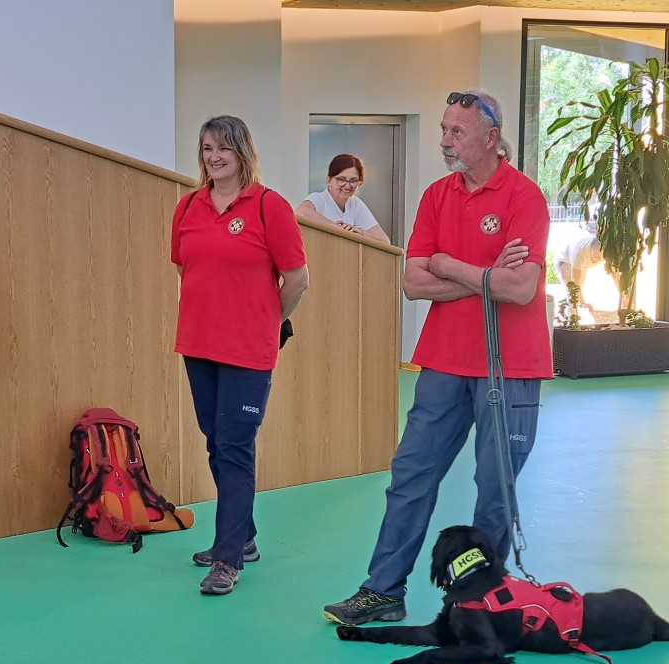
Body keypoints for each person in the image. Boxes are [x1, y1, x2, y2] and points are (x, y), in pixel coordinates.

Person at [323, 90, 552, 625]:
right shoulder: (435, 196)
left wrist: (449, 264)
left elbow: (520, 289)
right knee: (411, 475)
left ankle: (478, 604)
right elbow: (413, 283)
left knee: (494, 491)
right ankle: (383, 592)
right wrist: (485, 275)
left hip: (509, 368)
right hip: (444, 362)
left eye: (457, 132)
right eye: (444, 130)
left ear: (491, 138)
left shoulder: (524, 197)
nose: (445, 141)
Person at [171, 115, 309, 596]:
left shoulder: (270, 206)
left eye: (223, 148)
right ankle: (243, 537)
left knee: (233, 446)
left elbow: (297, 280)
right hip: (198, 344)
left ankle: (227, 558)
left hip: (248, 350)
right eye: (207, 148)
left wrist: (267, 321)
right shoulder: (188, 206)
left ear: (242, 152)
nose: (214, 157)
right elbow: (187, 269)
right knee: (216, 440)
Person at [295, 154, 391, 243]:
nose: (347, 186)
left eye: (353, 181)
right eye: (341, 179)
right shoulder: (319, 198)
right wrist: (338, 229)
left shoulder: (356, 203)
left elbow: (384, 240)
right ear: (329, 180)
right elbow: (300, 213)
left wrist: (360, 232)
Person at [553, 221, 605, 310]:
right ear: (590, 249)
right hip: (564, 260)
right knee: (572, 291)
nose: (598, 258)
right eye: (596, 255)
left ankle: (570, 305)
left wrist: (623, 294)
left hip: (580, 263)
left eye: (601, 256)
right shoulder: (579, 253)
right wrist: (583, 303)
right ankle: (570, 312)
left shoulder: (604, 249)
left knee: (578, 290)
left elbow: (614, 273)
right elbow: (575, 282)